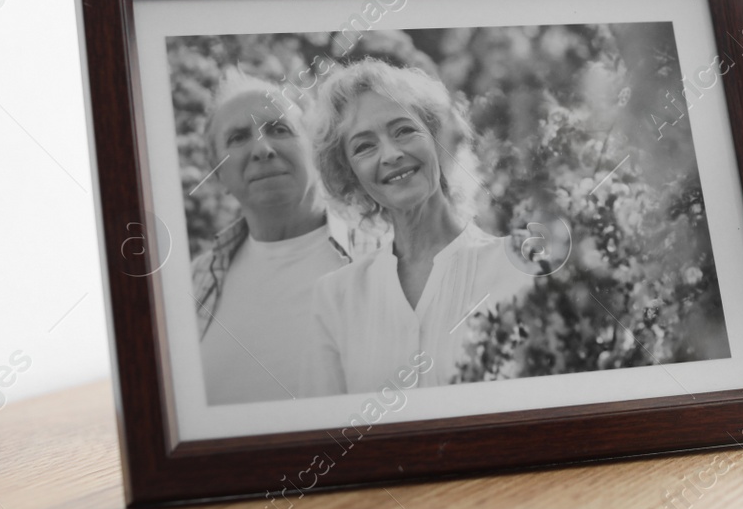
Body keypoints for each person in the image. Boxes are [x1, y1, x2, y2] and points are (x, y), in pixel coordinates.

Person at [301, 59, 529, 397]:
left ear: (437, 138)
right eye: (364, 146)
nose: (391, 154)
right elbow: (323, 433)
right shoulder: (335, 298)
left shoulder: (518, 267)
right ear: (350, 174)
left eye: (404, 130)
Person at [192, 72, 349, 405]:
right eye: (237, 137)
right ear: (217, 172)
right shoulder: (192, 286)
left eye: (279, 129)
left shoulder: (384, 255)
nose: (262, 149)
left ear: (316, 148)